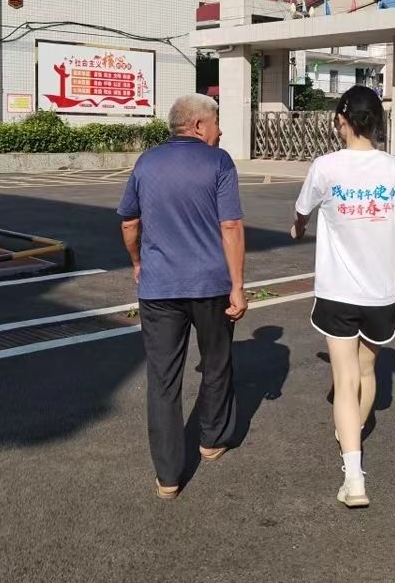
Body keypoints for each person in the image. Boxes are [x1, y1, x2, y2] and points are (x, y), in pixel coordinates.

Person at [291, 85, 395, 508]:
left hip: (337, 293)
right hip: (380, 295)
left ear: (341, 120)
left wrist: (298, 228)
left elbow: (302, 213)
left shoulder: (326, 167)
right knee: (367, 372)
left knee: (344, 380)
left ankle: (354, 478)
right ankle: (353, 432)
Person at [118, 93, 248, 500]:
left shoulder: (146, 163)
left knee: (163, 379)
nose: (220, 131)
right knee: (216, 362)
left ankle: (168, 477)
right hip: (210, 285)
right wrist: (238, 285)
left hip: (159, 287)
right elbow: (230, 226)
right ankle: (211, 441)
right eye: (216, 122)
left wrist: (138, 262)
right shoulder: (219, 162)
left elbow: (129, 223)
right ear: (198, 125)